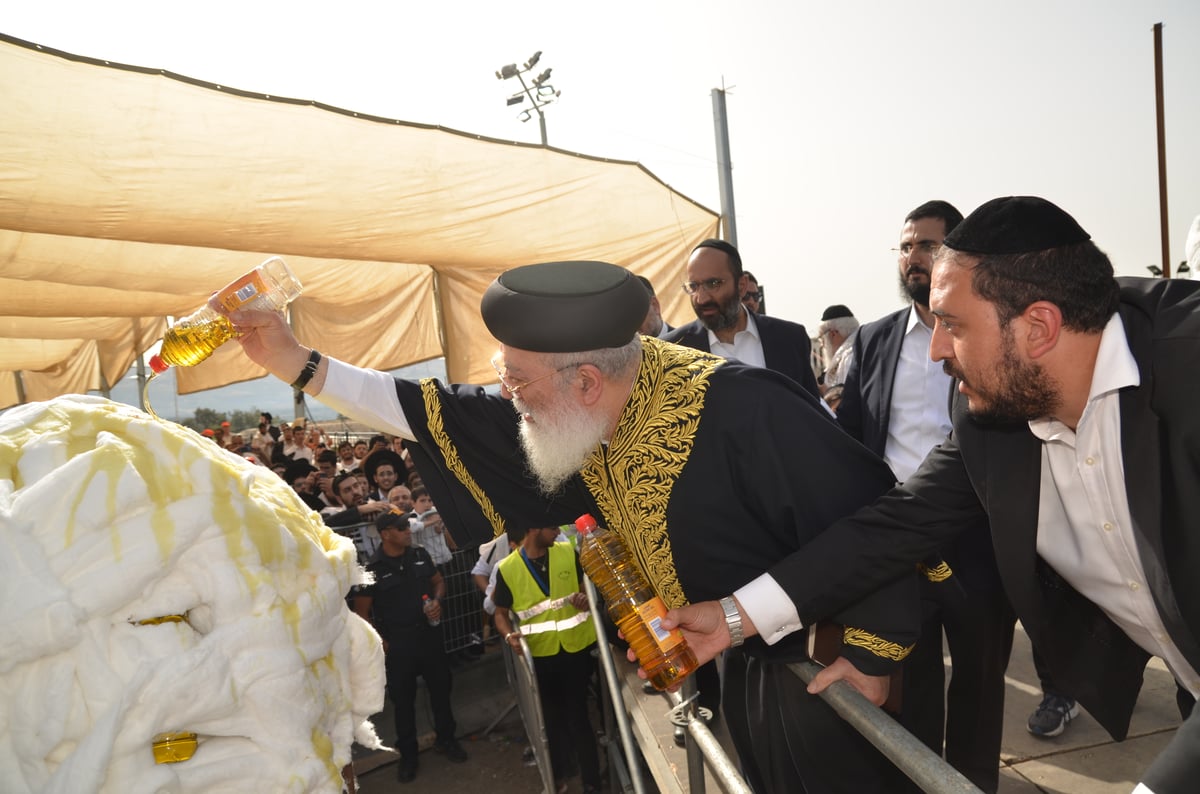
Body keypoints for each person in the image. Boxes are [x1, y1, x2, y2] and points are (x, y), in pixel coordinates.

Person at [231, 259, 919, 793]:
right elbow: (445, 411)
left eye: (517, 381)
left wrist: (873, 652)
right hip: (737, 667)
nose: (509, 397)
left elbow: (879, 523)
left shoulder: (746, 409)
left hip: (834, 676)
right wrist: (296, 362)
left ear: (585, 381)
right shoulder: (587, 414)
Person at [661, 197, 1200, 794]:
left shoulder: (1188, 367)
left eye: (955, 325)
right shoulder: (989, 415)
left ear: (1039, 327)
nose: (937, 349)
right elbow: (893, 526)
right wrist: (735, 616)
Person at [836, 200, 1015, 792]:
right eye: (907, 246)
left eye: (929, 246)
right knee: (908, 693)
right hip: (898, 549)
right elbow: (855, 442)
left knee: (980, 687)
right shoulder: (874, 340)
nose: (914, 258)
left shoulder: (991, 332)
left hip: (978, 545)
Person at [354, 509, 467, 783]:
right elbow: (361, 614)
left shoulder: (419, 554)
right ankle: (409, 756)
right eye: (401, 527)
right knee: (403, 703)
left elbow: (438, 582)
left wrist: (437, 601)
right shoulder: (370, 569)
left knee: (441, 690)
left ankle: (446, 740)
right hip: (399, 646)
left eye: (407, 525)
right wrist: (381, 641)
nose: (407, 530)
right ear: (385, 534)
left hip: (429, 639)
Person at [493, 524, 602, 794]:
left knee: (579, 717)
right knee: (550, 721)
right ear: (532, 528)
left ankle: (592, 784)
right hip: (541, 656)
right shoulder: (507, 568)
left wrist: (585, 599)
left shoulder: (568, 552)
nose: (558, 532)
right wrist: (509, 637)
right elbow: (499, 614)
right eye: (552, 528)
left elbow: (589, 592)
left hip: (577, 650)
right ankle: (559, 778)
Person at [665, 239, 820, 396]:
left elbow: (811, 414)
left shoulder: (790, 339)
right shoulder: (672, 353)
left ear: (741, 285)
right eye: (693, 287)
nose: (701, 298)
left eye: (713, 284)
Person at [816, 304, 858, 390]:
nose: (821, 345)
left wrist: (825, 392)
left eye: (821, 339)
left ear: (833, 334)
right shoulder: (858, 349)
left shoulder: (850, 358)